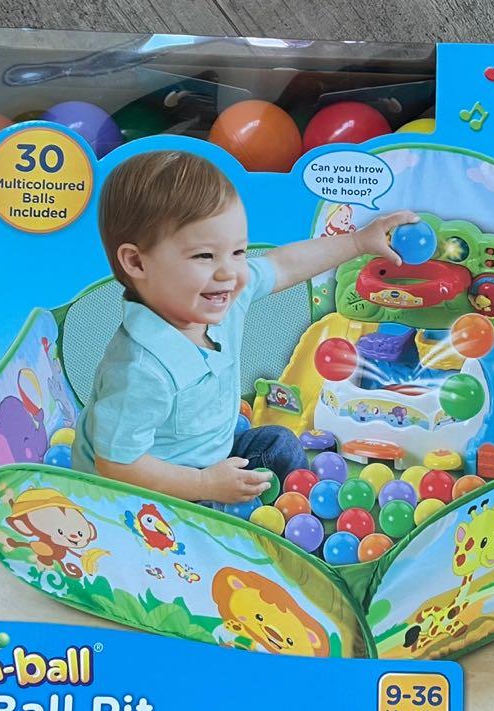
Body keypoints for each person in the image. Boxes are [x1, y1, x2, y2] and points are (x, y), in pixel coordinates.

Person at [73, 149, 417, 503]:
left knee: (278, 443)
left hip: (209, 460)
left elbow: (283, 264)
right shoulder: (139, 370)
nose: (229, 272)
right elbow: (117, 465)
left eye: (238, 252)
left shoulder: (219, 296)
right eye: (204, 256)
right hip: (145, 497)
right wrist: (203, 484)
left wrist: (358, 242)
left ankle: (296, 509)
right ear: (136, 262)